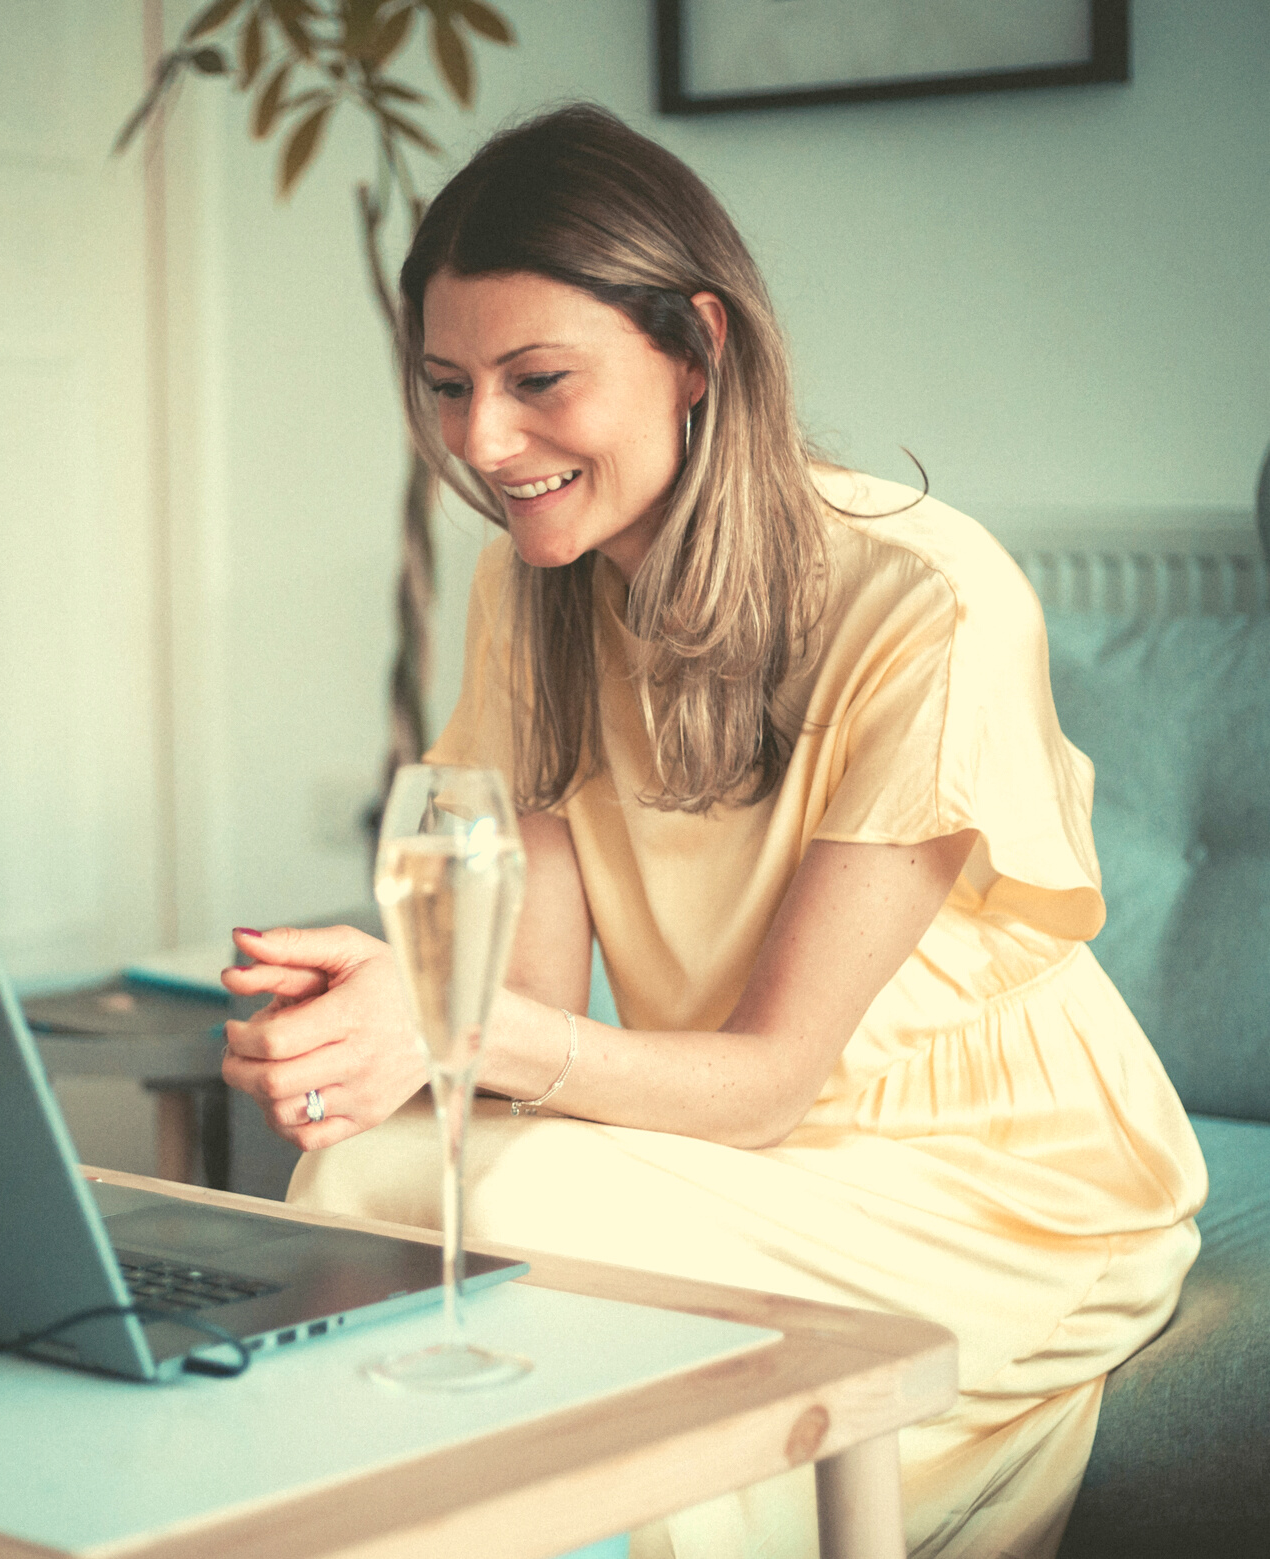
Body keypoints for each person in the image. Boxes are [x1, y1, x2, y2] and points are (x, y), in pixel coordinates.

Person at [218, 105, 1205, 1559]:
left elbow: (762, 1080)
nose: (483, 441)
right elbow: (531, 1017)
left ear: (694, 346)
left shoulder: (926, 603)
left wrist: (458, 1037)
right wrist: (380, 1034)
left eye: (537, 379)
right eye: (444, 386)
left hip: (994, 1180)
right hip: (738, 1153)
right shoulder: (530, 593)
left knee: (492, 1200)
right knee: (366, 1178)